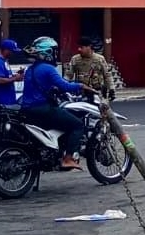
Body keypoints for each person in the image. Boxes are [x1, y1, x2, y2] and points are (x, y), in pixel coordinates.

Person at [18, 37, 93, 170]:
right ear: (47, 52)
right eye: (54, 51)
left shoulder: (30, 70)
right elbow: (65, 86)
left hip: (27, 110)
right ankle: (68, 158)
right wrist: (81, 86)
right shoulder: (48, 69)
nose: (55, 54)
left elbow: (41, 88)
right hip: (43, 109)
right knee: (77, 125)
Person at [0, 39, 24, 105]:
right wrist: (15, 78)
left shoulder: (5, 61)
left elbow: (7, 77)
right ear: (6, 50)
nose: (13, 54)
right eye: (12, 51)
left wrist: (17, 76)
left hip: (9, 100)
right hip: (2, 102)